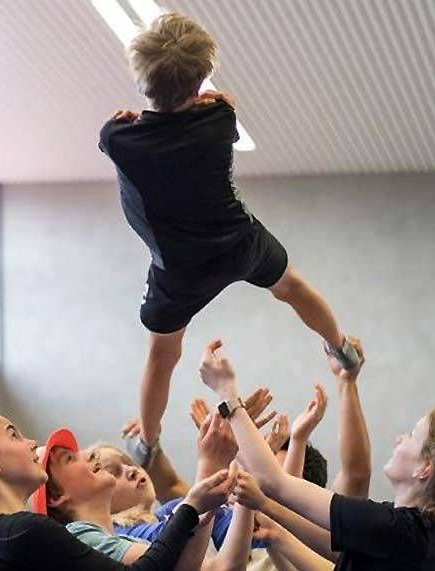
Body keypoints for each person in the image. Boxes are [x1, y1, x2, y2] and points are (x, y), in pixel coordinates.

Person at [99, 11, 359, 466]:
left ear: (142, 80)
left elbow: (118, 133)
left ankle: (147, 442)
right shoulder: (219, 117)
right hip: (239, 242)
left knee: (162, 355)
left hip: (178, 268)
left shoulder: (119, 137)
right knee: (292, 287)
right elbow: (221, 101)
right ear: (200, 80)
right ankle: (342, 347)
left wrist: (134, 118)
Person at [199, 340, 435, 571]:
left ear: (425, 469)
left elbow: (274, 480)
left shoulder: (404, 531)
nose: (400, 438)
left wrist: (227, 393)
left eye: (413, 436)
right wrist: (271, 511)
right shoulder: (425, 537)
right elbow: (345, 551)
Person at [0, 409, 235, 571]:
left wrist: (198, 507)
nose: (31, 442)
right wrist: (190, 506)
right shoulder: (17, 532)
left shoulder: (1, 537)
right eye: (14, 435)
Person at [34, 415, 253, 570]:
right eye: (70, 458)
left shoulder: (122, 539)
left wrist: (246, 481)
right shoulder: (78, 536)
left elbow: (224, 567)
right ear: (56, 497)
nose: (89, 456)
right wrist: (209, 465)